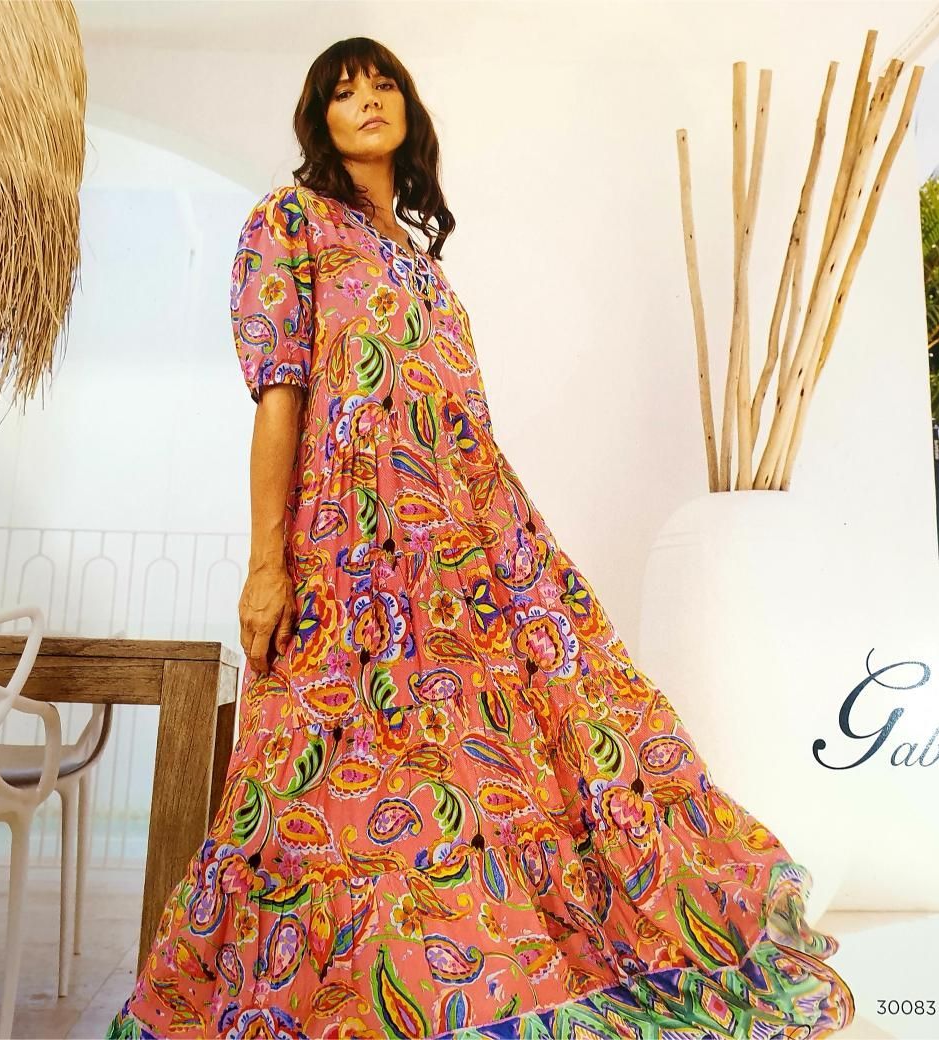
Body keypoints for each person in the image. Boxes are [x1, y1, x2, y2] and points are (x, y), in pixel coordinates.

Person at [108, 36, 855, 1040]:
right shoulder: (290, 222)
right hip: (348, 556)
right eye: (342, 91)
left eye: (381, 84)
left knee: (543, 732)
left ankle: (460, 988)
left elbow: (456, 422)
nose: (365, 100)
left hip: (465, 558)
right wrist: (264, 561)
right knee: (320, 769)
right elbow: (279, 399)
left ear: (408, 109)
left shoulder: (415, 259)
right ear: (316, 122)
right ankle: (322, 997)